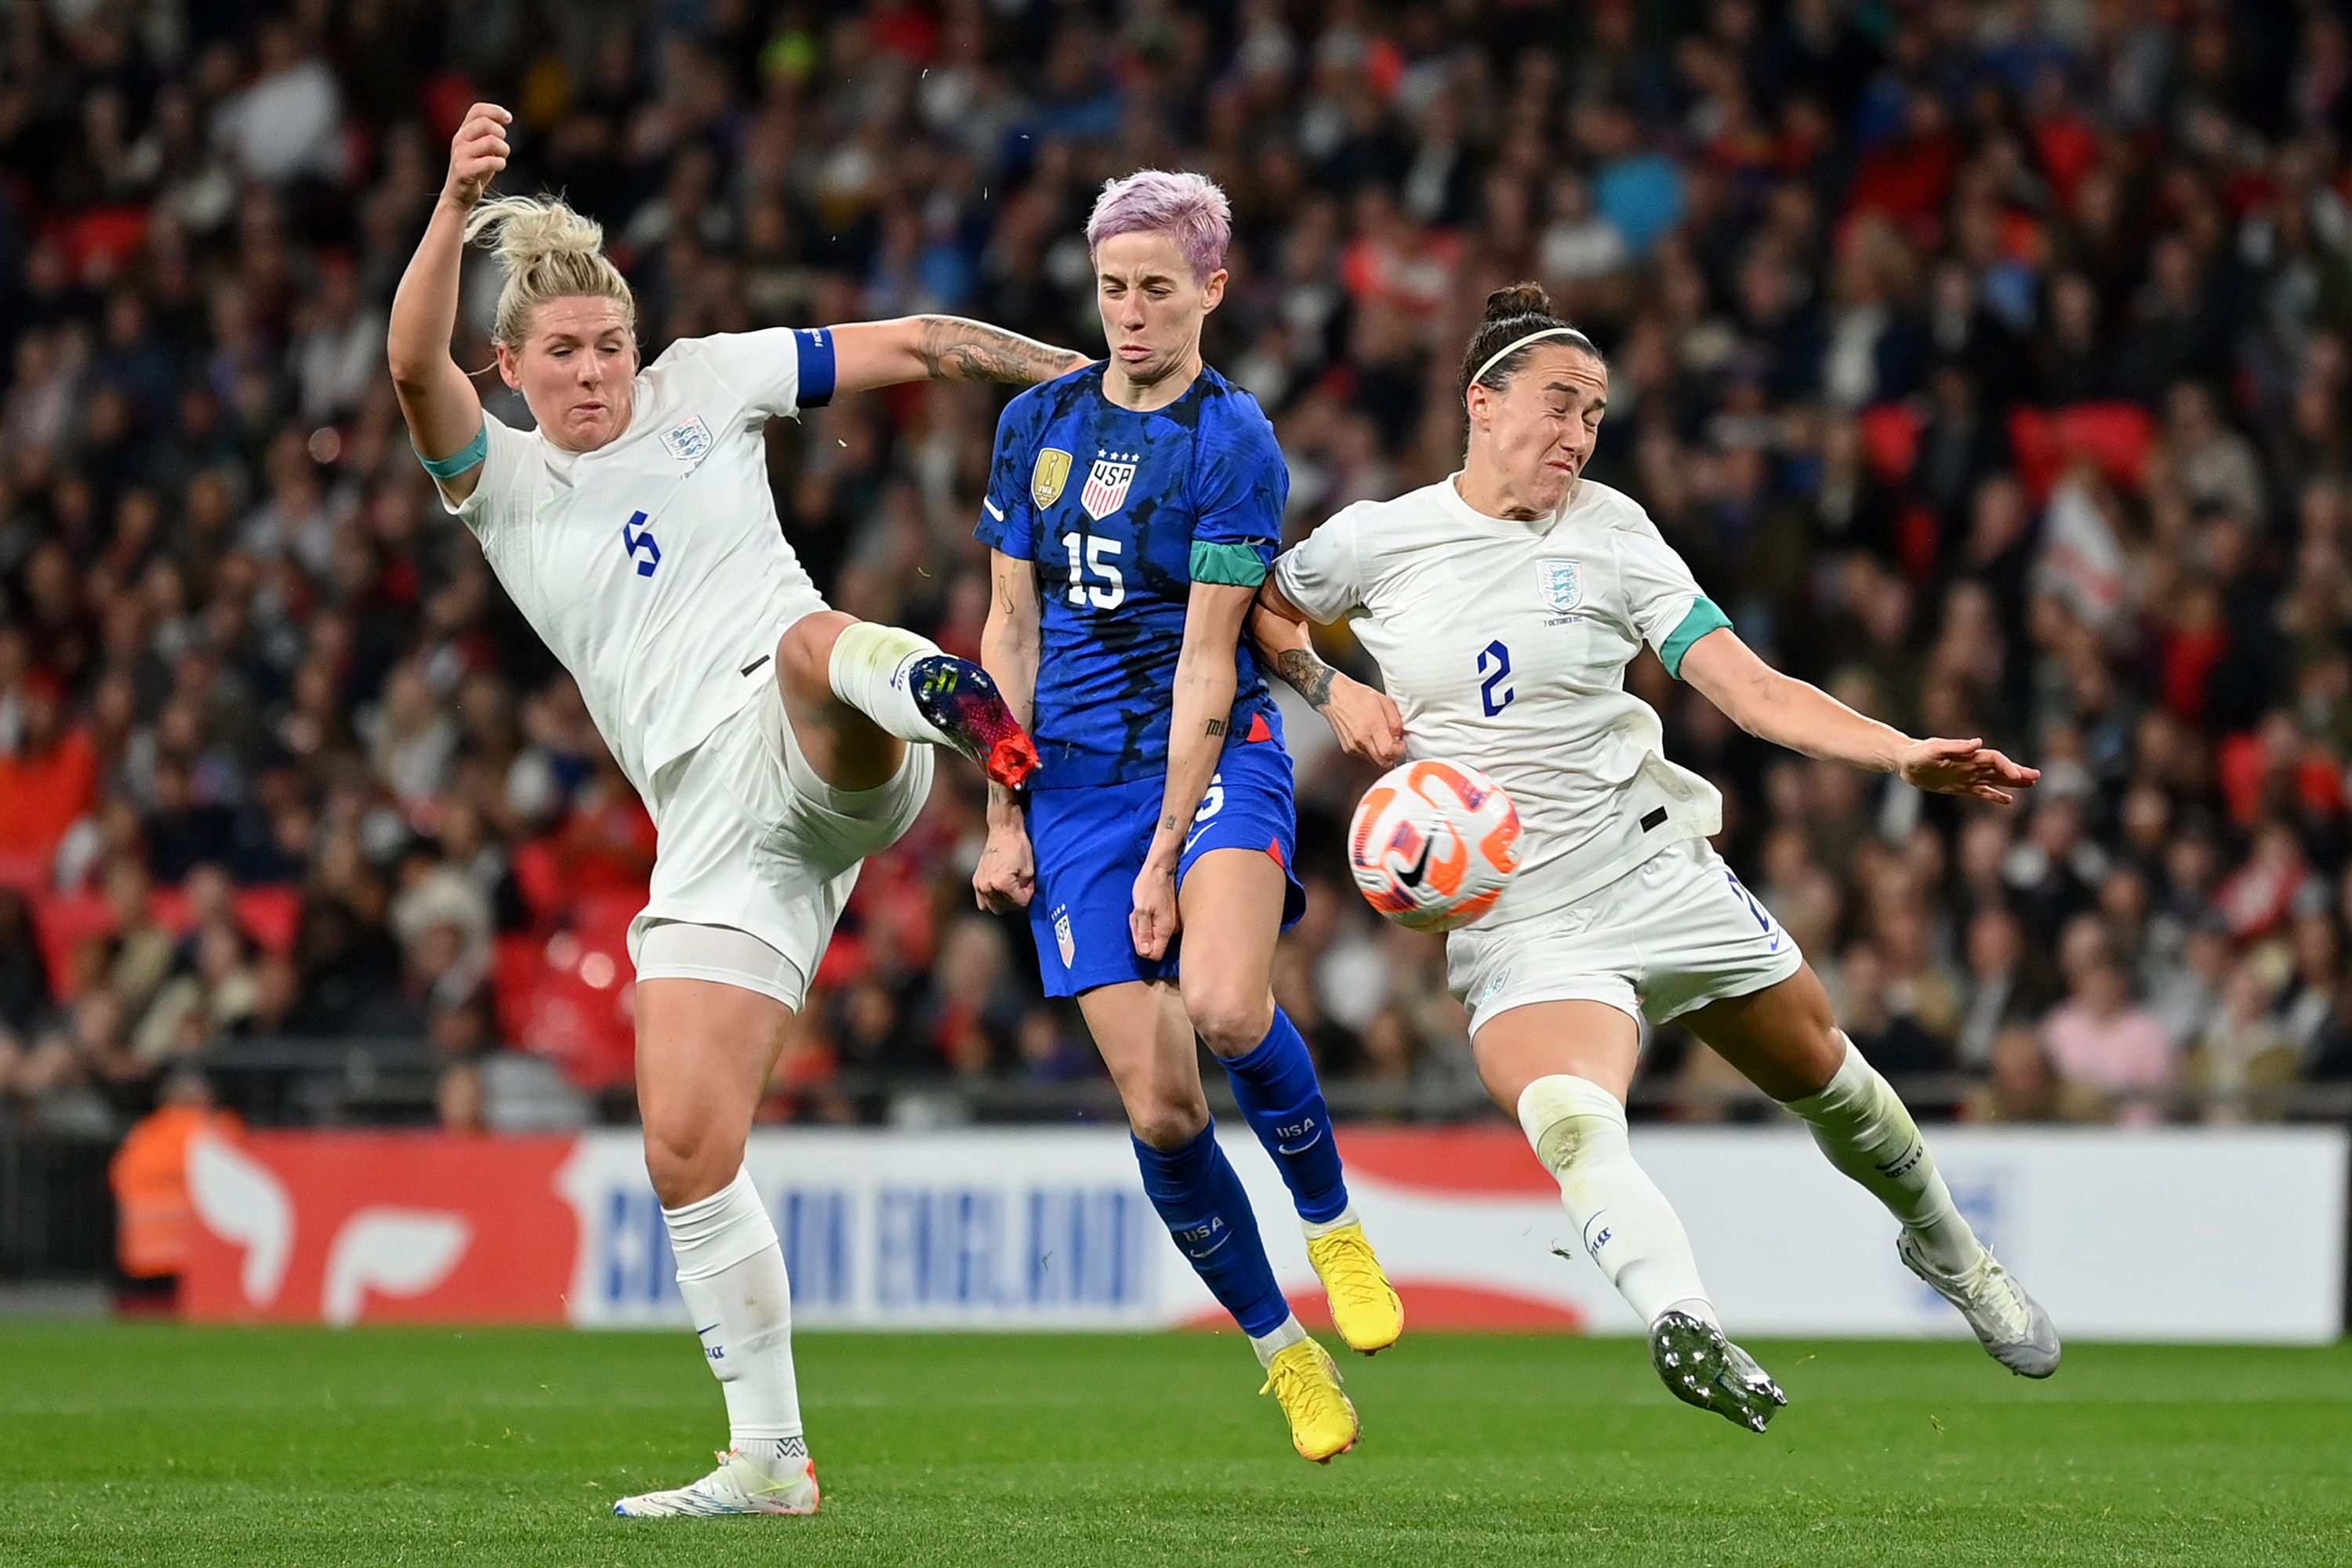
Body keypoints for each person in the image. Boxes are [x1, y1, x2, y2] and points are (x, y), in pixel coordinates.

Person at [388, 104, 1085, 1517]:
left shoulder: (714, 378)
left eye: (607, 345)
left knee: (808, 644)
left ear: (637, 343)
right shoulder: (502, 485)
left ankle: (960, 702)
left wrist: (1104, 385)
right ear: (508, 367)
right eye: (561, 354)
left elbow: (927, 343)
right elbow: (407, 360)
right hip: (712, 829)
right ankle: (770, 1457)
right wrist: (453, 205)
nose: (592, 373)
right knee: (686, 1148)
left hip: (822, 731)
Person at [1253, 282, 2060, 1433]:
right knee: (1574, 1121)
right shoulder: (1377, 540)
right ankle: (1684, 1320)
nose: (1579, 434)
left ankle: (1949, 1251)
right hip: (1520, 922)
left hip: (1654, 874)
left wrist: (1897, 755)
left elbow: (1748, 686)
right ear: (1482, 405)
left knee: (1841, 1090)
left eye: (1596, 414)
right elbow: (1264, 610)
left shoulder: (1617, 534)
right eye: (1559, 405)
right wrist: (1334, 691)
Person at [971, 170, 1399, 1465]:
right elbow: (1008, 628)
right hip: (1070, 787)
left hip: (1209, 755)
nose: (1131, 312)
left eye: (1159, 287)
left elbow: (1217, 657)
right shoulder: (1035, 424)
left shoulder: (1233, 440)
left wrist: (1166, 848)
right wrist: (1003, 814)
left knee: (1222, 1003)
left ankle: (1331, 1221)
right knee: (1161, 1111)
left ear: (1213, 288)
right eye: (1113, 288)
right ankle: (1283, 1351)